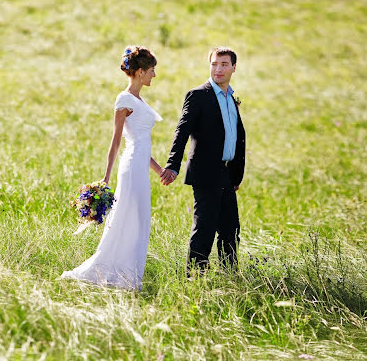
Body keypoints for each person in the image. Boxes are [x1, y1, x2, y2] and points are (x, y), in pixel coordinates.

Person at [61, 46, 164, 290]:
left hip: (140, 164)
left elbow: (142, 144)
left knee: (139, 219)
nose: (154, 76)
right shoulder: (125, 99)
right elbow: (117, 141)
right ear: (139, 72)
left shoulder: (139, 100)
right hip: (130, 167)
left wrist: (159, 170)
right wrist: (105, 178)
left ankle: (128, 273)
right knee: (125, 217)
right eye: (151, 71)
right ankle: (108, 271)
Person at [160, 46, 246, 275]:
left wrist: (236, 176)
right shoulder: (199, 95)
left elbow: (236, 138)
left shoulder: (231, 99)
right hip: (205, 172)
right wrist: (172, 165)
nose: (218, 69)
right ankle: (194, 279)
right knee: (205, 230)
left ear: (234, 68)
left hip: (226, 174)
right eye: (214, 64)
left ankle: (230, 276)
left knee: (230, 229)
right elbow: (182, 131)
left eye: (224, 64)